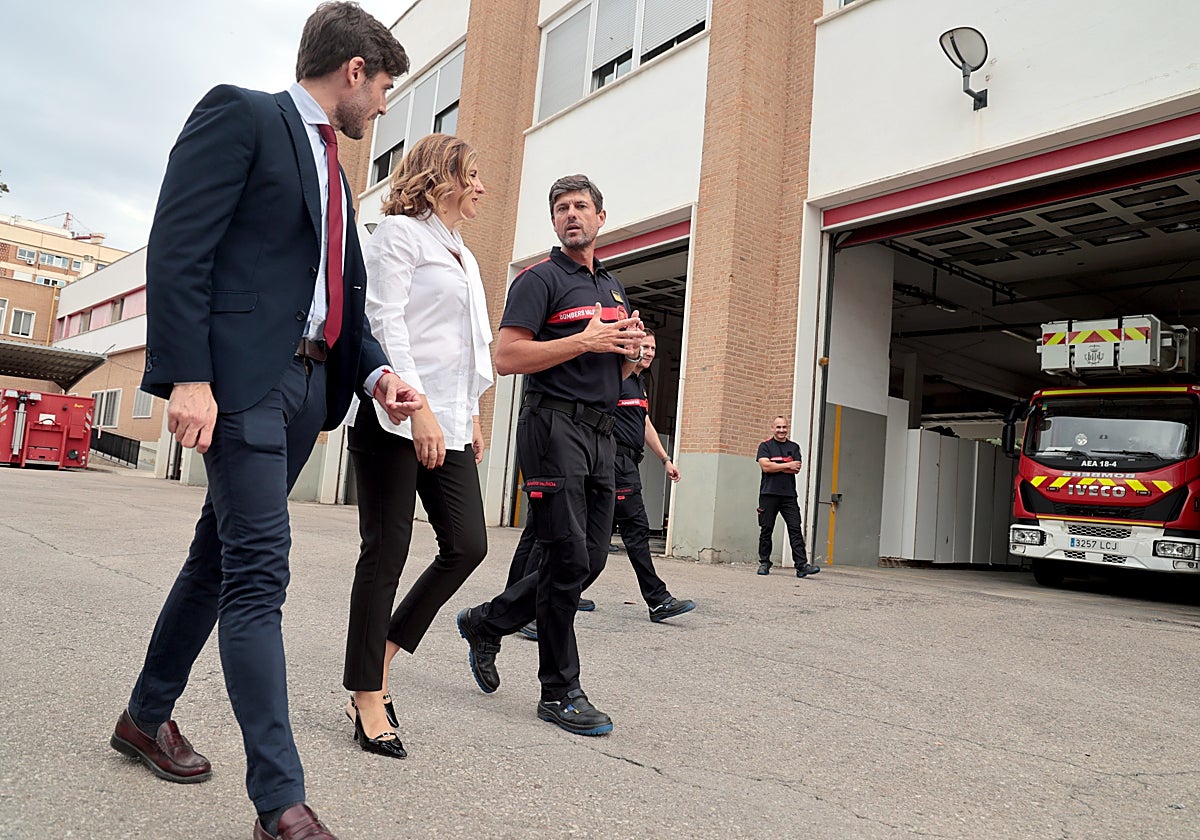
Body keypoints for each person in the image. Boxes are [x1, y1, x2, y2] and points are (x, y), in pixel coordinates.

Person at [109, 6, 416, 839]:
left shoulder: (338, 172)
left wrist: (378, 372)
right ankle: (279, 803)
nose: (384, 107)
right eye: (385, 89)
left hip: (307, 392)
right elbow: (179, 246)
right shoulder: (242, 113)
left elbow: (339, 294)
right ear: (354, 70)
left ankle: (144, 716)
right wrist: (192, 377)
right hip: (241, 384)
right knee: (257, 575)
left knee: (216, 560)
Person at [455, 174, 644, 736]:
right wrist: (583, 342)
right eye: (561, 208)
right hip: (552, 425)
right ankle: (559, 691)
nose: (571, 215)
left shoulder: (612, 287)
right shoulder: (538, 280)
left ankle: (487, 621)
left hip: (603, 432)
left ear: (600, 217)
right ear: (554, 221)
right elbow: (507, 356)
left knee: (590, 559)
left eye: (581, 206)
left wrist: (633, 357)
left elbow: (612, 361)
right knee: (565, 559)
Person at [341, 133, 492, 760]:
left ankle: (380, 654)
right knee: (387, 552)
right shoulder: (398, 235)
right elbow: (385, 322)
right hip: (396, 417)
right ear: (441, 177)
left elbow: (469, 342)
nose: (481, 186)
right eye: (473, 173)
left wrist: (472, 413)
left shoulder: (463, 251)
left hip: (451, 421)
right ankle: (367, 694)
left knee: (467, 545)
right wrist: (419, 407)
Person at [516, 329, 695, 640]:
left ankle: (536, 597)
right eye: (644, 345)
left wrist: (665, 459)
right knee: (628, 529)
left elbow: (645, 423)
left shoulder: (637, 382)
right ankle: (656, 599)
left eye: (653, 347)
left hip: (621, 463)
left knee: (574, 535)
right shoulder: (616, 377)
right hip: (606, 461)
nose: (649, 352)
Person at [756, 416, 822, 578]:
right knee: (766, 529)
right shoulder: (765, 446)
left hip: (788, 496)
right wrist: (787, 464)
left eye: (784, 427)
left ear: (788, 428)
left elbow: (796, 469)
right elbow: (766, 467)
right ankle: (764, 563)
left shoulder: (794, 447)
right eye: (778, 427)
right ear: (773, 428)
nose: (781, 430)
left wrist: (776, 465)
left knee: (795, 529)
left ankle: (801, 566)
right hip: (768, 494)